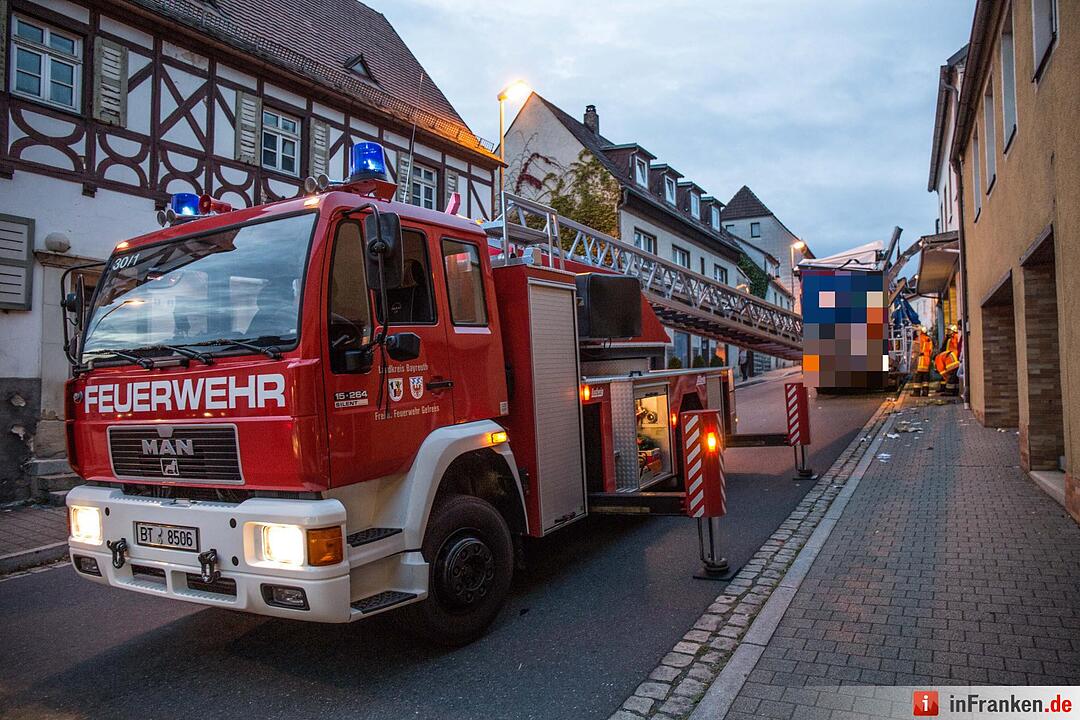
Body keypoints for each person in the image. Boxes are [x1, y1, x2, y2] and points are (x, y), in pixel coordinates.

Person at [935, 324, 961, 395]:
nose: (948, 332)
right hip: (947, 358)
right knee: (951, 375)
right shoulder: (947, 338)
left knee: (952, 376)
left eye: (949, 330)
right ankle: (948, 389)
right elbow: (944, 348)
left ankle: (949, 391)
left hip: (953, 359)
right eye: (947, 330)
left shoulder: (955, 337)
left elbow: (956, 347)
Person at [910, 326, 932, 396]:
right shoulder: (929, 340)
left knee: (917, 378)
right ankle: (925, 392)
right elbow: (931, 351)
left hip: (919, 361)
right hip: (927, 361)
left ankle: (916, 393)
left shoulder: (917, 339)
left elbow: (914, 350)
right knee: (925, 378)